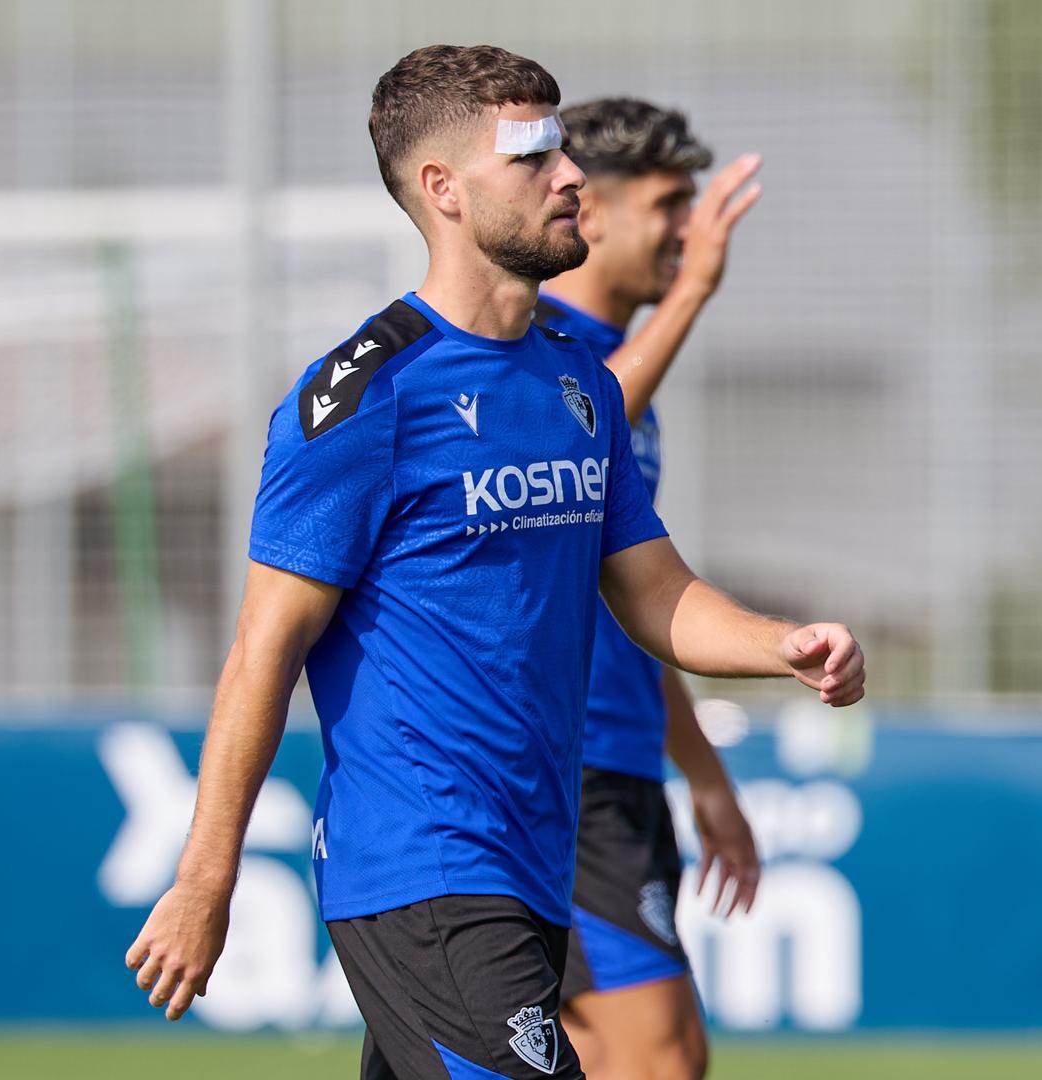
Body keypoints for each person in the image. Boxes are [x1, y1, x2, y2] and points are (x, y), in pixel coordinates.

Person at [124, 45, 864, 1080]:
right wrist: (206, 880)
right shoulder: (364, 396)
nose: (569, 178)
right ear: (444, 191)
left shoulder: (579, 386)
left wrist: (784, 644)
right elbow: (262, 648)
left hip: (531, 860)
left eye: (565, 151)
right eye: (533, 158)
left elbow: (657, 594)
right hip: (425, 867)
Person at [534, 98, 763, 1080]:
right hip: (565, 774)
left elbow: (637, 612)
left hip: (623, 771)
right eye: (670, 203)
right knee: (660, 1061)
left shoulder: (624, 383)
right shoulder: (542, 355)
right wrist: (693, 293)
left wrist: (704, 775)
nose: (688, 228)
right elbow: (573, 429)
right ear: (590, 213)